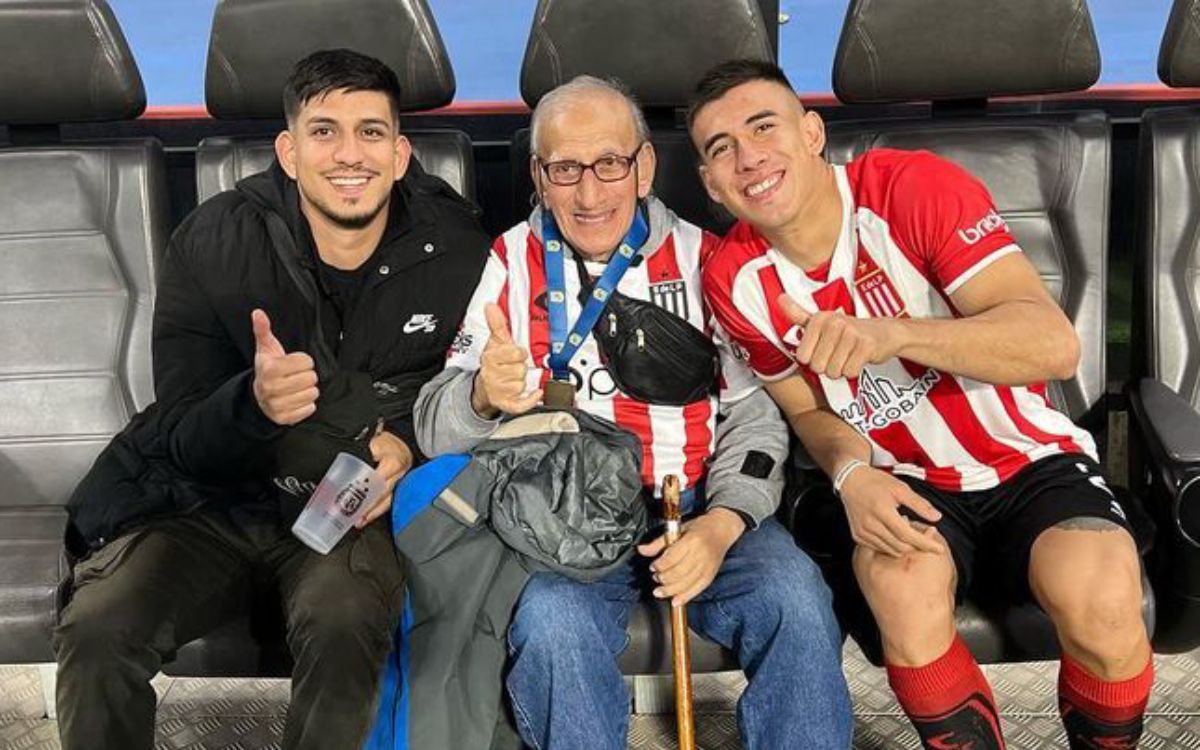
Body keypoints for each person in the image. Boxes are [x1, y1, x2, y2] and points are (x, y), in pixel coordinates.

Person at [690, 59, 1154, 750]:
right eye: (719, 148)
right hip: (900, 477)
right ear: (710, 183)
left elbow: (1053, 346)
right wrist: (852, 477)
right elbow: (807, 412)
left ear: (813, 133)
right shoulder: (732, 277)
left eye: (764, 126)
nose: (747, 156)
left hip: (1026, 458)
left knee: (1105, 597)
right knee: (901, 589)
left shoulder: (911, 187)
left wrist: (892, 334)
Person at [53, 49, 489, 750]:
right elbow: (182, 429)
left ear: (402, 153)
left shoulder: (460, 248)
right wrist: (251, 406)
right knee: (100, 624)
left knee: (347, 619)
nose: (351, 154)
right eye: (325, 131)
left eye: (372, 132)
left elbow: (457, 388)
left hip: (343, 509)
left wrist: (403, 438)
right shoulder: (216, 239)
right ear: (289, 151)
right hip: (209, 503)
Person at [414, 75, 852, 750]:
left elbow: (758, 419)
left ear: (644, 165)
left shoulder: (710, 260)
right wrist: (477, 397)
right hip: (562, 520)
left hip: (699, 504)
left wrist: (726, 523)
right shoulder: (505, 261)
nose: (589, 194)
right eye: (564, 169)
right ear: (537, 174)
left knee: (795, 599)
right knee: (553, 626)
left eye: (610, 164)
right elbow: (431, 426)